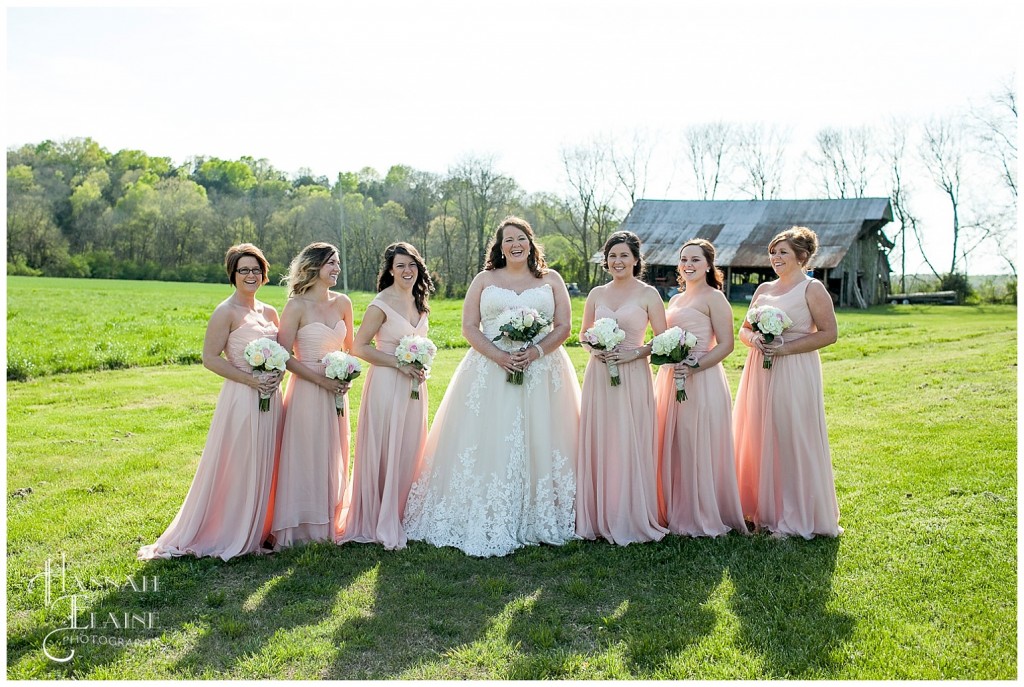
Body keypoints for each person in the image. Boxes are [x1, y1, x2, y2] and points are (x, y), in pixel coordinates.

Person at [403, 216, 580, 557]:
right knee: (489, 438)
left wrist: (537, 350)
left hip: (542, 371)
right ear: (499, 248)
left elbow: (564, 326)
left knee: (542, 437)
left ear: (531, 242)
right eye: (508, 240)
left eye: (521, 238)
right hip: (489, 368)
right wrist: (500, 355)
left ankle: (540, 513)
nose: (515, 245)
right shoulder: (485, 279)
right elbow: (469, 327)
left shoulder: (551, 279)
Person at [138, 244, 283, 561]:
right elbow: (209, 358)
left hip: (272, 397)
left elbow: (283, 354)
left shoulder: (270, 312)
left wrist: (276, 376)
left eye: (256, 269)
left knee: (266, 461)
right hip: (243, 395)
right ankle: (231, 532)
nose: (251, 275)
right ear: (233, 274)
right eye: (243, 270)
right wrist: (251, 380)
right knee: (241, 462)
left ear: (264, 273)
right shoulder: (226, 312)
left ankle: (259, 529)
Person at [733, 226, 842, 538]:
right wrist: (755, 338)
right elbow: (742, 329)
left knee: (790, 435)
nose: (775, 257)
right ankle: (759, 509)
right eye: (773, 252)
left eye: (783, 252)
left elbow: (829, 334)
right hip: (759, 369)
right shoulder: (763, 289)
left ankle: (794, 514)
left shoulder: (812, 289)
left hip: (794, 368)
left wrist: (785, 348)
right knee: (757, 433)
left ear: (802, 257)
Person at [338, 242, 434, 550]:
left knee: (409, 446)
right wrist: (399, 364)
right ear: (390, 270)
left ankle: (403, 512)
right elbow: (360, 347)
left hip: (414, 387)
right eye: (401, 266)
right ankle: (378, 514)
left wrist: (419, 367)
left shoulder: (420, 302)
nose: (407, 271)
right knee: (386, 446)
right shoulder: (380, 304)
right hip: (386, 383)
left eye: (412, 265)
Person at [576, 230, 669, 545]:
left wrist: (634, 353)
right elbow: (583, 334)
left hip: (632, 375)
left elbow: (663, 339)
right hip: (599, 375)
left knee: (628, 439)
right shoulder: (596, 294)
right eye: (612, 256)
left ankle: (628, 515)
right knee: (602, 439)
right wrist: (594, 348)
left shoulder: (648, 294)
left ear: (635, 260)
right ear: (606, 261)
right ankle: (598, 516)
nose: (618, 261)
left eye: (624, 256)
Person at [655, 239, 747, 537]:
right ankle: (676, 507)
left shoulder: (714, 298)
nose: (688, 265)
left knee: (698, 442)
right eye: (684, 259)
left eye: (695, 259)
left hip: (702, 377)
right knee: (676, 442)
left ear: (708, 265)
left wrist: (695, 366)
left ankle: (702, 512)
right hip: (672, 377)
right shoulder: (675, 299)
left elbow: (727, 344)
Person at [271, 242, 354, 548]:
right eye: (331, 263)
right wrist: (322, 381)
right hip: (306, 389)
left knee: (334, 454)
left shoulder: (344, 303)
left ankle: (329, 522)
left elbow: (349, 349)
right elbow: (284, 356)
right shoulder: (296, 306)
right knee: (306, 455)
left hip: (337, 390)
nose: (337, 269)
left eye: (338, 263)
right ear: (314, 267)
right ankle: (300, 527)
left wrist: (347, 372)